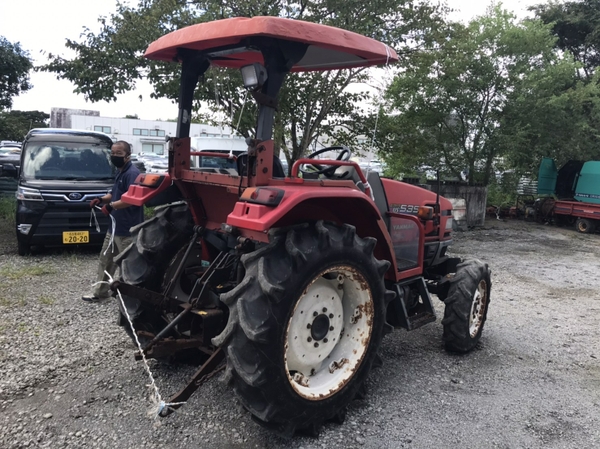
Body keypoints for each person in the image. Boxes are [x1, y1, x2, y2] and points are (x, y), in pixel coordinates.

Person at [82, 141, 144, 302]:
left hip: (127, 229)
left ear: (128, 155)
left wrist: (111, 206)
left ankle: (131, 299)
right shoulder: (120, 171)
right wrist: (101, 199)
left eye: (119, 153)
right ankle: (101, 293)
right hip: (114, 228)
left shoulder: (132, 174)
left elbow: (132, 199)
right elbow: (115, 194)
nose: (114, 156)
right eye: (113, 153)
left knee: (127, 266)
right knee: (106, 260)